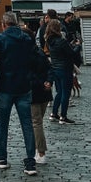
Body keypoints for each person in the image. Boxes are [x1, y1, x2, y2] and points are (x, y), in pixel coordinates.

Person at [0, 11, 40, 175]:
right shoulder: (27, 38)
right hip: (24, 86)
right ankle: (30, 162)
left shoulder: (1, 39)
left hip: (6, 86)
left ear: (3, 24)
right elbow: (36, 60)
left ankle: (1, 158)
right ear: (16, 23)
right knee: (27, 124)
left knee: (3, 123)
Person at [22, 22, 52, 164]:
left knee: (36, 123)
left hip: (34, 92)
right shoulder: (40, 52)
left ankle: (41, 153)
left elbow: (29, 75)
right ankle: (36, 150)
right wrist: (49, 81)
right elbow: (49, 69)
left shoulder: (27, 56)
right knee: (38, 122)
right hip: (45, 92)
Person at [45, 19, 78, 125]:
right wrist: (78, 46)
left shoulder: (49, 41)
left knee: (59, 92)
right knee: (66, 93)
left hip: (55, 68)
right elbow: (71, 53)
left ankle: (54, 113)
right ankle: (63, 116)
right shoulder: (61, 41)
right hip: (65, 68)